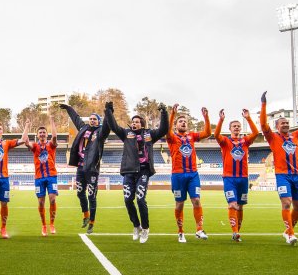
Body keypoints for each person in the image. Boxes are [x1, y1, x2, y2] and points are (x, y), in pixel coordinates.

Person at [260, 91, 298, 246]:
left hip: (297, 176)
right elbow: (263, 124)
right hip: (282, 175)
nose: (285, 125)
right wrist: (263, 104)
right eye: (282, 123)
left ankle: (288, 230)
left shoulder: (296, 136)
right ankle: (291, 234)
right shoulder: (272, 137)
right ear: (277, 126)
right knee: (286, 202)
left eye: (287, 123)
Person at [104, 101, 168, 243]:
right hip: (128, 171)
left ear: (142, 124)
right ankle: (136, 226)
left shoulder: (149, 134)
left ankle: (145, 229)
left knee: (140, 199)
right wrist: (108, 110)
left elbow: (163, 129)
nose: (134, 124)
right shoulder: (126, 134)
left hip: (143, 171)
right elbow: (113, 126)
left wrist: (164, 113)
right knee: (128, 200)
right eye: (133, 122)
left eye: (137, 122)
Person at [59, 103, 110, 234]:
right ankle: (85, 216)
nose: (92, 120)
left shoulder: (101, 132)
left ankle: (92, 223)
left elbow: (107, 127)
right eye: (91, 119)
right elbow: (76, 118)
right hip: (81, 167)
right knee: (80, 193)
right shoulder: (83, 128)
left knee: (91, 196)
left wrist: (109, 111)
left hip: (92, 169)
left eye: (95, 119)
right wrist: (69, 108)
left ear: (99, 121)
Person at [165, 104, 211, 243]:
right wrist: (172, 114)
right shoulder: (172, 137)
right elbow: (167, 130)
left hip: (193, 174)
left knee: (196, 200)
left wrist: (206, 117)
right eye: (180, 121)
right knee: (179, 204)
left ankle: (199, 229)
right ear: (175, 125)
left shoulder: (192, 136)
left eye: (185, 121)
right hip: (178, 175)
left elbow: (207, 133)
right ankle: (180, 232)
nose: (183, 122)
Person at [214, 108, 259, 242]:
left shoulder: (245, 141)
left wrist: (248, 118)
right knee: (232, 204)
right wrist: (221, 120)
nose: (237, 128)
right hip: (229, 178)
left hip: (243, 178)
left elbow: (256, 132)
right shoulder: (225, 142)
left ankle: (237, 231)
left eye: (238, 126)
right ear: (230, 128)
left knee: (240, 206)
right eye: (234, 126)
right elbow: (216, 135)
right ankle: (235, 232)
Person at [21, 116, 59, 237]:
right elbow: (26, 142)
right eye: (40, 133)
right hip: (39, 178)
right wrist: (27, 125)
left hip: (52, 176)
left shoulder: (51, 145)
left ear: (46, 135)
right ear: (37, 135)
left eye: (44, 132)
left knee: (52, 199)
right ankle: (44, 225)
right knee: (41, 203)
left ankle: (51, 224)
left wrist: (52, 122)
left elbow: (55, 137)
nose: (42, 134)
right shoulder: (35, 146)